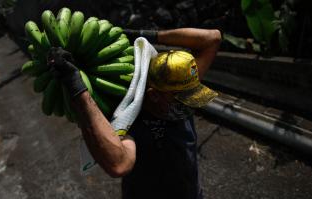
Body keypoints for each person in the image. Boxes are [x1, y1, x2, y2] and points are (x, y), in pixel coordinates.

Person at [47, 28, 221, 199]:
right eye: (182, 98)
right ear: (154, 95)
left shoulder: (182, 83)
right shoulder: (128, 120)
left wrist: (145, 35)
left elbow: (212, 38)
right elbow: (119, 165)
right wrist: (75, 86)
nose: (190, 103)